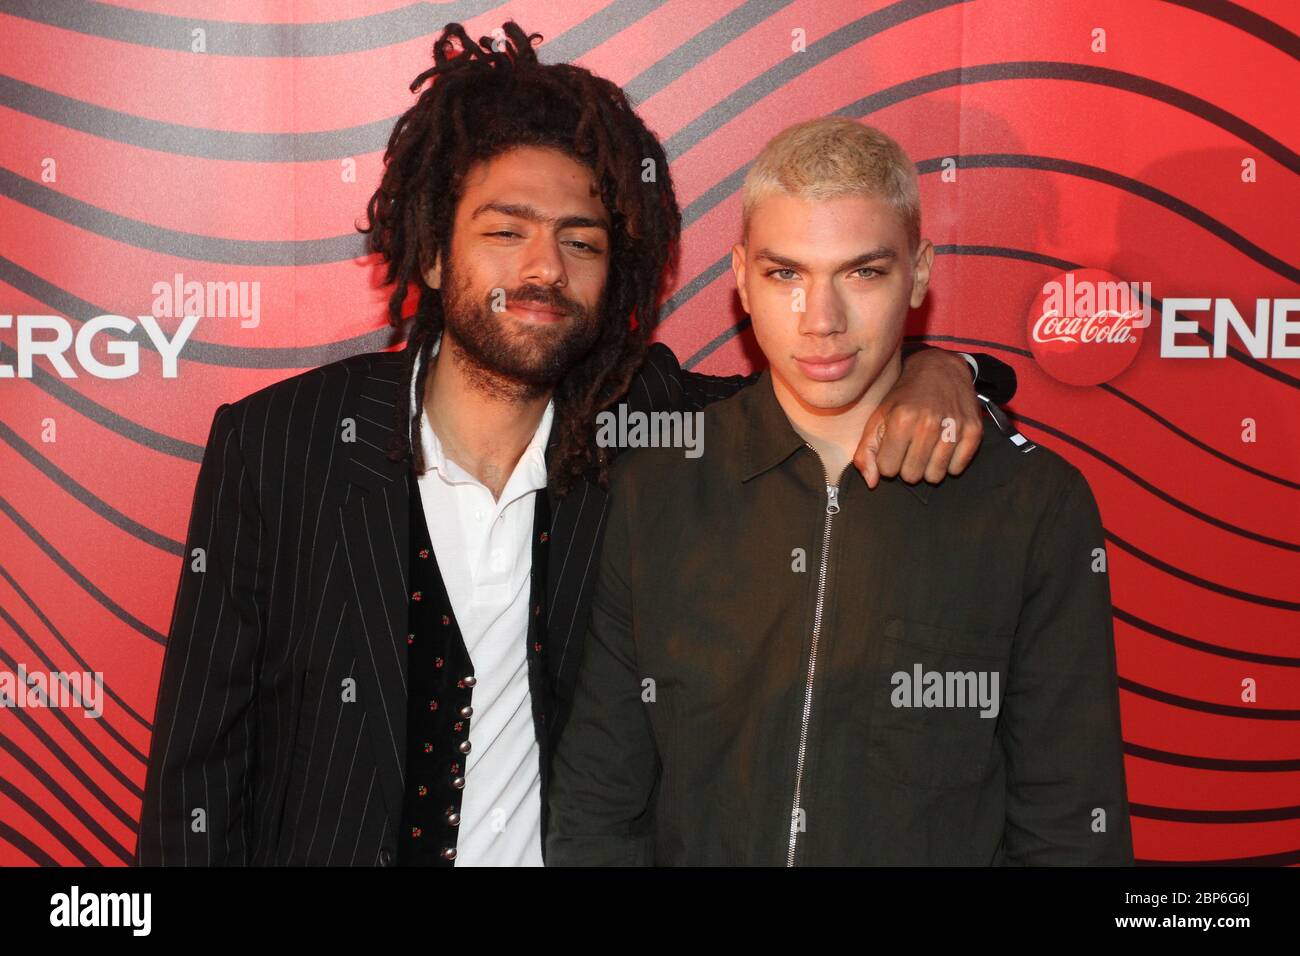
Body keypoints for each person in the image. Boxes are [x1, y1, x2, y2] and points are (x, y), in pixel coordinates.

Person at [134, 23, 1016, 868]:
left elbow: (829, 381)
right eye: (506, 230)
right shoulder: (281, 446)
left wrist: (948, 372)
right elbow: (197, 772)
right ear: (434, 253)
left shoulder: (647, 430)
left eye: (579, 242)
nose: (544, 269)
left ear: (617, 273)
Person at [546, 117, 1132, 865]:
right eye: (786, 273)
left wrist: (955, 373)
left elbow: (1070, 824)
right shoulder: (655, 484)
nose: (820, 321)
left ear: (918, 274)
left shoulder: (1032, 506)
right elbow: (600, 800)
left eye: (863, 272)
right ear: (741, 277)